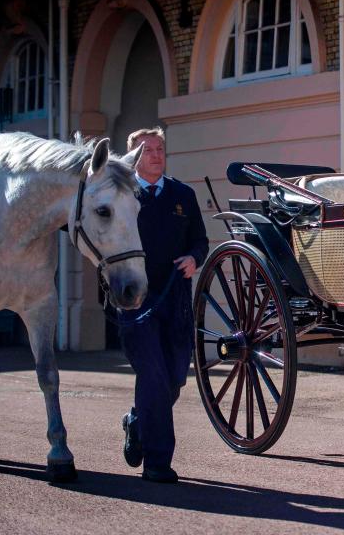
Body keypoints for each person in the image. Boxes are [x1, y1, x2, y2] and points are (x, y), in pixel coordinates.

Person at [107, 126, 208, 483]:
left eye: (160, 147)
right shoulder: (120, 195)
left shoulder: (183, 194)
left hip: (176, 301)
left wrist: (195, 259)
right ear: (131, 156)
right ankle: (157, 462)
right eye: (147, 149)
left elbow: (200, 240)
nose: (155, 154)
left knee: (175, 379)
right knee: (152, 375)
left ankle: (137, 421)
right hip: (136, 301)